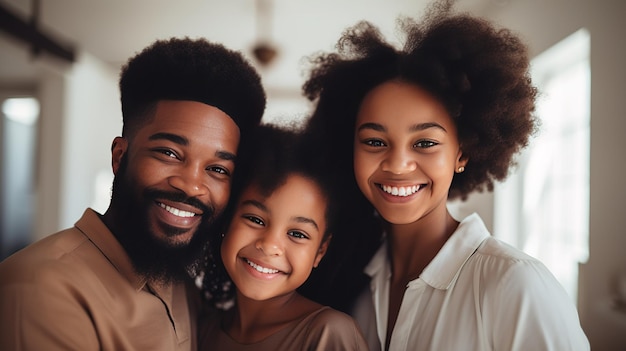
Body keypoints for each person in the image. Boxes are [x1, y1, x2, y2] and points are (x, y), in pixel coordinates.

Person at [299, 0, 590, 350]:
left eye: (424, 142)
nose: (397, 164)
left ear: (462, 152)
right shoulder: (345, 279)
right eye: (375, 141)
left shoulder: (516, 285)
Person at [0, 37, 266, 350]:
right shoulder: (40, 287)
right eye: (168, 153)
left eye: (218, 170)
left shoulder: (178, 281)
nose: (192, 185)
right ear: (119, 155)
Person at [197, 124, 368, 350]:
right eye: (255, 220)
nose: (269, 246)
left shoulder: (327, 333)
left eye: (297, 234)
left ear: (320, 251)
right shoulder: (202, 330)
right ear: (227, 220)